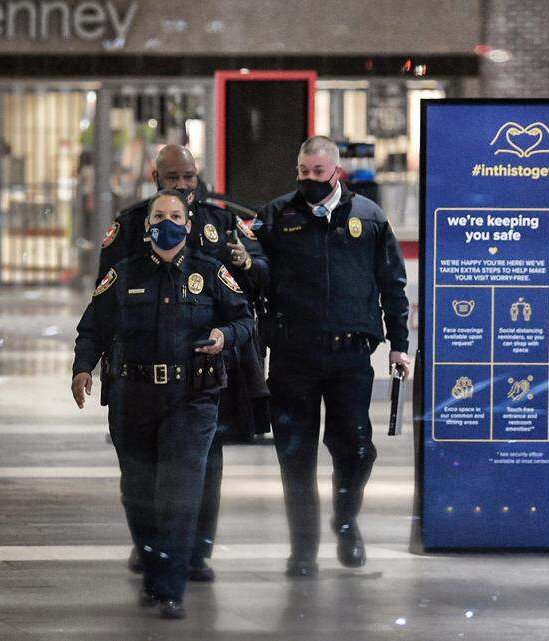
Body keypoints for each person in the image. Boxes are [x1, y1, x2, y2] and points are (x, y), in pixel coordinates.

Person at [72, 189, 254, 619]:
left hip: (191, 400)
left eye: (176, 215)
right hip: (133, 397)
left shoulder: (211, 273)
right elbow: (92, 329)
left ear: (188, 226)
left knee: (178, 492)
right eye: (159, 215)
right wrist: (82, 369)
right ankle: (155, 571)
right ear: (147, 224)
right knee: (137, 492)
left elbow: (244, 319)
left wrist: (224, 337)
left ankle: (171, 588)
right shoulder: (122, 273)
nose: (167, 221)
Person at [96, 144, 268, 582]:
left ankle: (195, 552)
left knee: (205, 463)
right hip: (141, 368)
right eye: (173, 178)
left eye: (189, 176)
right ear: (156, 177)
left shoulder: (222, 221)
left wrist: (246, 262)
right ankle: (153, 544)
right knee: (142, 468)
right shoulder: (132, 223)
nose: (183, 186)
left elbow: (261, 275)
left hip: (208, 370)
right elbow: (106, 296)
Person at [255, 136, 410, 578]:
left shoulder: (368, 217)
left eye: (317, 173)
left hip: (349, 357)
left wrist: (398, 343)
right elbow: (251, 266)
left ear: (336, 171)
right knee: (295, 454)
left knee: (357, 449)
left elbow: (391, 284)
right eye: (302, 172)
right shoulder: (278, 214)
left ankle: (346, 523)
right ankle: (303, 548)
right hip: (293, 356)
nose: (308, 180)